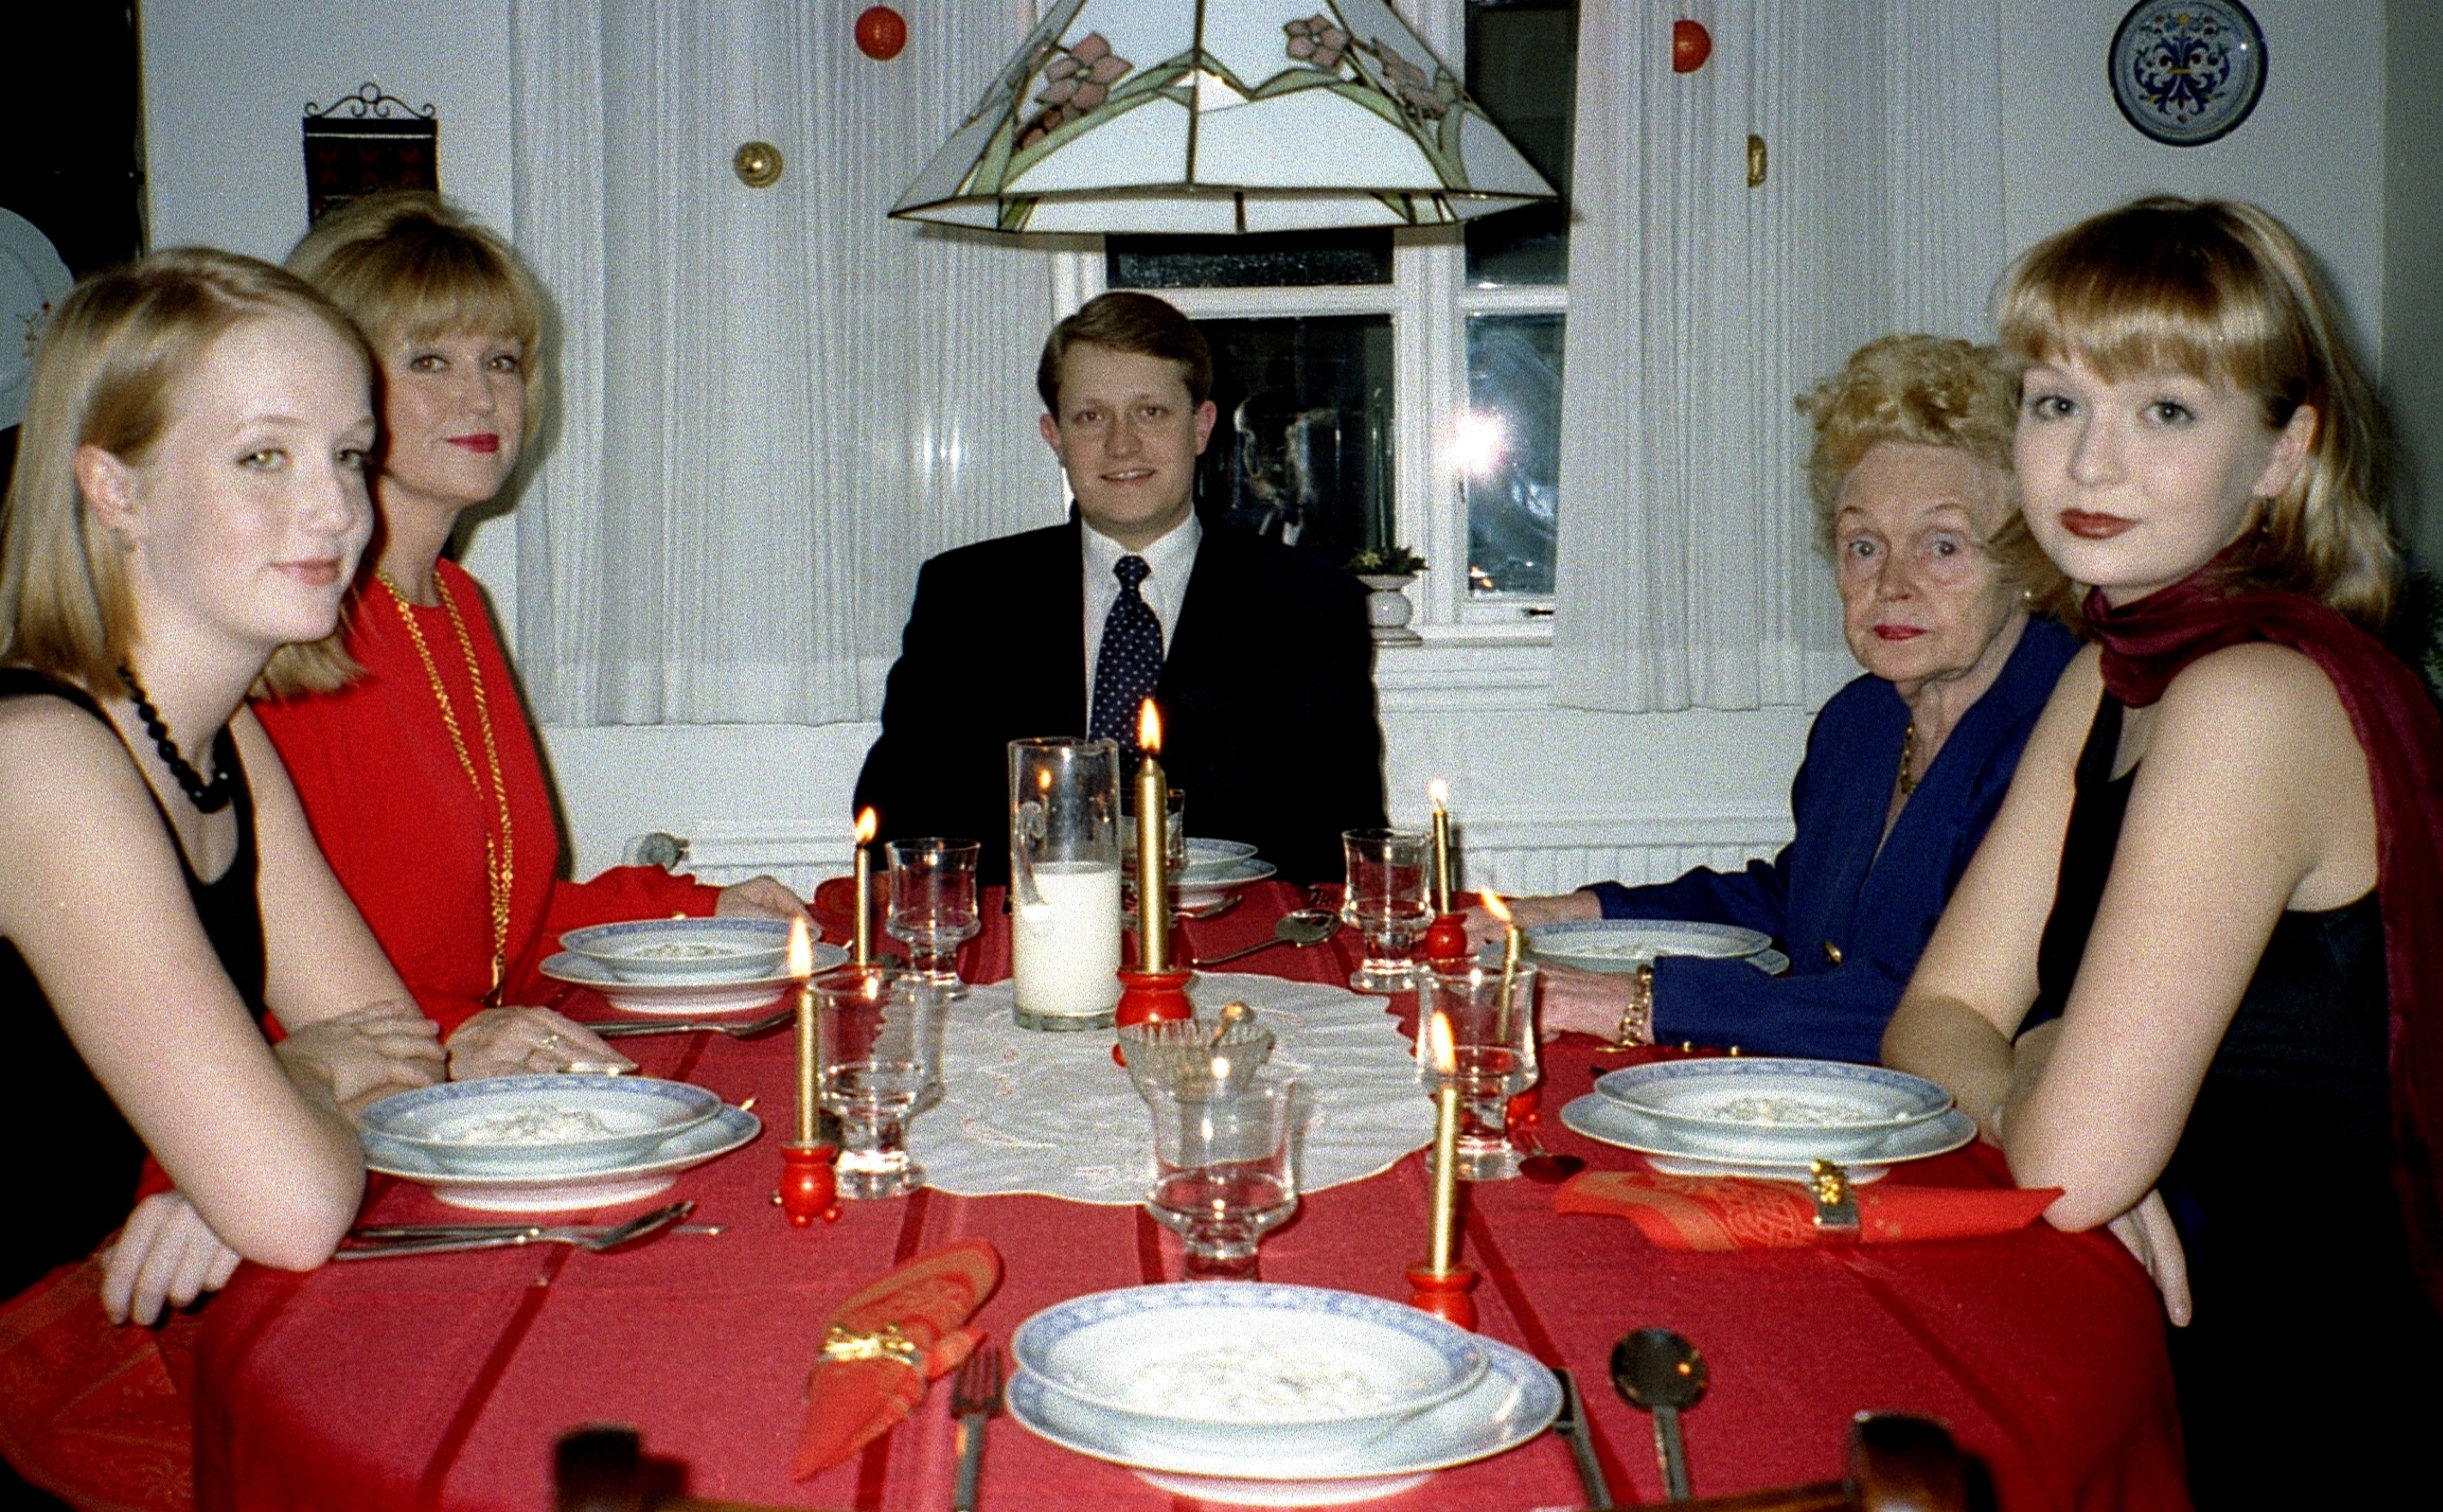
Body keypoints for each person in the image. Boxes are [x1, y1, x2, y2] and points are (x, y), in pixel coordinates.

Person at [1880, 198, 2443, 1512]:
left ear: (2286, 448)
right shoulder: (2109, 670)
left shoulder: (2252, 698)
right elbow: (1930, 1019)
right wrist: (2045, 1088)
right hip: (2170, 1334)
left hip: (2326, 1425)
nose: (2091, 461)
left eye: (2165, 412)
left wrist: (2038, 1060)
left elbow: (2067, 1154)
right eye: (2055, 402)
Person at [0, 249, 452, 1512]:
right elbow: (298, 1201)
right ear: (115, 488)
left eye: (349, 454)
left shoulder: (219, 737)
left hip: (89, 1352)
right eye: (264, 458)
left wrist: (268, 1133)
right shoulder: (38, 760)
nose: (336, 508)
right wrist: (288, 1097)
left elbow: (405, 1062)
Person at [258, 193, 803, 1065]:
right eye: (429, 360)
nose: (480, 396)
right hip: (348, 1096)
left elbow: (506, 919)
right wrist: (456, 1033)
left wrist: (703, 910)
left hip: (464, 1074)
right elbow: (256, 966)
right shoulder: (293, 627)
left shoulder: (457, 602)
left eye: (501, 361)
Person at [1476, 336, 2078, 1061]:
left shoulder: (2063, 734)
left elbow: (1947, 1011)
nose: (1892, 584)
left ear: (2026, 561)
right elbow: (1795, 907)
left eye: (1942, 546)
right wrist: (1564, 916)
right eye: (1864, 545)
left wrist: (1638, 1002)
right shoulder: (1862, 721)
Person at [853, 290, 1387, 886]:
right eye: (1090, 417)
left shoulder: (1310, 604)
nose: (1121, 444)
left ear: (1202, 426)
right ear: (1054, 436)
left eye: (1150, 412)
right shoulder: (966, 597)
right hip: (1023, 935)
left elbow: (1339, 849)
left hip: (1234, 938)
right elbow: (902, 824)